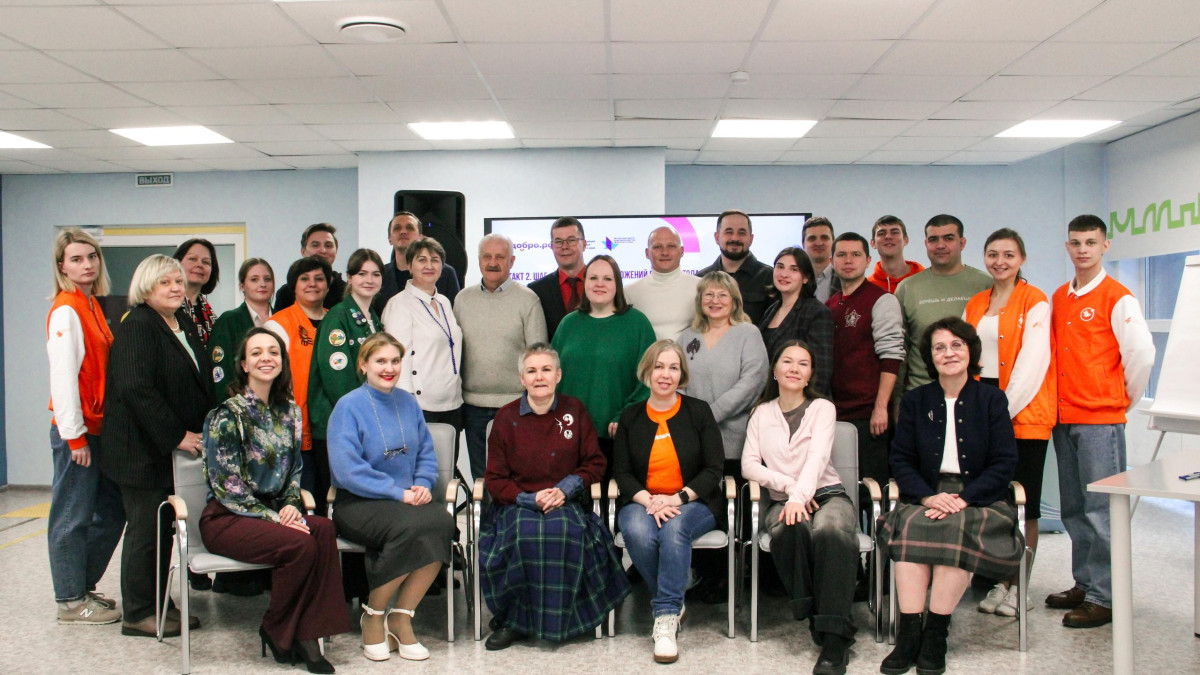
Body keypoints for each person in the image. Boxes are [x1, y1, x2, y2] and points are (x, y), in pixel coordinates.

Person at [198, 328, 349, 674]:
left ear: (282, 362)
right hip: (227, 517)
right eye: (256, 353)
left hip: (273, 514)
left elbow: (294, 470)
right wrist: (275, 517)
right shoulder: (227, 415)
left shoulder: (290, 412)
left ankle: (307, 632)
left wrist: (292, 504)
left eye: (273, 352)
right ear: (244, 365)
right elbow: (227, 485)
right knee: (300, 543)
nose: (266, 358)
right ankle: (279, 628)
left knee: (324, 530)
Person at [878, 318, 1024, 675]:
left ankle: (936, 634)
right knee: (910, 527)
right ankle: (909, 634)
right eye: (939, 347)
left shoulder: (991, 399)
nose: (949, 353)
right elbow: (901, 460)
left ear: (971, 351)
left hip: (979, 497)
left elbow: (1004, 463)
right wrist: (927, 497)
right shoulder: (916, 401)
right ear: (930, 357)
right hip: (926, 494)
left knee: (955, 527)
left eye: (956, 345)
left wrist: (965, 498)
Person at [478, 344, 629, 650]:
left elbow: (595, 463)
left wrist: (565, 489)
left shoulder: (575, 411)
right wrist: (528, 499)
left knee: (565, 533)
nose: (539, 377)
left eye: (546, 370)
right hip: (518, 503)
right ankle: (514, 621)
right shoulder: (506, 418)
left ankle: (566, 619)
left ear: (558, 375)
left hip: (566, 501)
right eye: (531, 371)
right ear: (522, 378)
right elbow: (494, 479)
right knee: (524, 535)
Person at [1047, 215, 1154, 629]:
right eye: (1076, 242)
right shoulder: (1061, 296)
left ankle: (1105, 598)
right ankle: (1086, 583)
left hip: (1100, 420)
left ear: (1105, 246)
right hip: (1065, 417)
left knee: (1101, 510)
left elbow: (1141, 355)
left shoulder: (1117, 297)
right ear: (1067, 246)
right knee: (1074, 508)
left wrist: (1121, 400)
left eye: (1091, 242)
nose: (1083, 250)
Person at [327, 333, 454, 663]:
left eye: (395, 361)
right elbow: (347, 470)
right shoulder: (348, 407)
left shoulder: (408, 402)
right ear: (363, 365)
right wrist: (398, 492)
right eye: (380, 361)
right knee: (411, 528)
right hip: (358, 503)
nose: (389, 368)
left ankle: (400, 617)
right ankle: (373, 615)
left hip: (406, 500)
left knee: (443, 522)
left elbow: (425, 453)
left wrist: (423, 484)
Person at [101, 255, 210, 638]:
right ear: (146, 288)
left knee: (163, 529)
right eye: (166, 282)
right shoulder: (138, 325)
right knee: (146, 531)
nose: (176, 288)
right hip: (140, 451)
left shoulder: (181, 322)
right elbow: (136, 388)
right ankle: (138, 612)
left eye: (178, 281)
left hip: (165, 453)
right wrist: (176, 435)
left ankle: (160, 603)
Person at [742, 340, 859, 675]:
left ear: (810, 375)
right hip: (784, 499)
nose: (794, 368)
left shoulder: (822, 408)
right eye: (787, 361)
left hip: (828, 494)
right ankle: (816, 612)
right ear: (775, 371)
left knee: (831, 530)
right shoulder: (761, 413)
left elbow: (818, 457)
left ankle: (833, 641)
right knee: (790, 528)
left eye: (803, 363)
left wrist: (800, 495)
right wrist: (791, 490)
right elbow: (749, 465)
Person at [964, 228, 1056, 618]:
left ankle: (1021, 586)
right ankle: (1000, 580)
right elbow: (965, 357)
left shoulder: (1035, 300)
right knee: (996, 502)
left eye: (1008, 255)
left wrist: (998, 415)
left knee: (1024, 504)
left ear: (1021, 259)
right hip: (982, 409)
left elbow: (1032, 365)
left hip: (1022, 413)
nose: (1000, 261)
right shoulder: (976, 302)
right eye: (993, 254)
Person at [613, 340, 724, 664]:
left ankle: (664, 617)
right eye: (659, 366)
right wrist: (650, 501)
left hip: (693, 501)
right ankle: (675, 592)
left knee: (674, 528)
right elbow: (622, 472)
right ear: (647, 372)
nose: (665, 374)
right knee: (637, 531)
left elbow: (713, 469)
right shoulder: (631, 416)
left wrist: (676, 498)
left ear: (681, 374)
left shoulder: (698, 411)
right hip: (643, 501)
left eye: (673, 367)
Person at [46, 229, 124, 626]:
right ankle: (70, 601)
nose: (87, 264)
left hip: (97, 428)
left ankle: (80, 585)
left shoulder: (90, 304)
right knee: (71, 516)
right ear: (62, 266)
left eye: (92, 256)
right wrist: (74, 437)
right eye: (76, 259)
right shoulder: (66, 309)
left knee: (111, 510)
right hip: (77, 433)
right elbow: (63, 380)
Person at [675, 271, 768, 602]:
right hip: (694, 442)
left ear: (734, 300)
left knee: (730, 510)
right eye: (708, 295)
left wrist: (708, 416)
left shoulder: (747, 334)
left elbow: (753, 381)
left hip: (733, 440)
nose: (715, 301)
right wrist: (693, 422)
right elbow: (677, 381)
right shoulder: (687, 337)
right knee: (699, 507)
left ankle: (730, 578)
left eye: (722, 295)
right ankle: (704, 574)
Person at [453, 234, 547, 484]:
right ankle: (485, 513)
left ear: (512, 261)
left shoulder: (528, 300)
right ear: (478, 260)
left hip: (517, 405)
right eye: (487, 256)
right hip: (473, 407)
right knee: (482, 480)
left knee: (518, 477)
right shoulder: (462, 299)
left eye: (500, 257)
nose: (492, 262)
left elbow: (538, 356)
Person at [551, 255, 656, 473]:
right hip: (568, 434)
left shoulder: (637, 324)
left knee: (611, 493)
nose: (600, 284)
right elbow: (551, 375)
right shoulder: (568, 324)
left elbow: (648, 380)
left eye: (607, 279)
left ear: (617, 284)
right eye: (593, 278)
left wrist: (623, 416)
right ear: (585, 283)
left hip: (617, 435)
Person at [826, 232, 903, 487]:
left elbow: (891, 356)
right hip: (835, 414)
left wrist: (881, 407)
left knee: (871, 489)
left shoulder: (881, 300)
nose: (848, 260)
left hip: (870, 416)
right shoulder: (830, 305)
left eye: (856, 254)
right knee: (840, 487)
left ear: (868, 260)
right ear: (832, 261)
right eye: (841, 255)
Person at [895, 214, 992, 394]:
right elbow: (899, 349)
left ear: (962, 243)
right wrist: (898, 399)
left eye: (948, 238)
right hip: (921, 394)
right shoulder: (907, 288)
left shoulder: (986, 284)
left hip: (974, 395)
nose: (940, 245)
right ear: (926, 244)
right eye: (933, 239)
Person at [266, 256, 332, 513]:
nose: (312, 284)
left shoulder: (336, 320)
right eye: (304, 279)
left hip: (330, 428)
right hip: (294, 429)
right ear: (293, 286)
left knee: (330, 499)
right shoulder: (279, 324)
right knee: (303, 500)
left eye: (319, 278)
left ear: (328, 284)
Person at [381, 237, 464, 431]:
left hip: (451, 402)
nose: (429, 265)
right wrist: (405, 402)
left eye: (435, 260)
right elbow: (397, 357)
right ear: (409, 266)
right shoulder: (399, 304)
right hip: (418, 405)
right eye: (421, 260)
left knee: (449, 452)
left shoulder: (444, 302)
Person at [758, 247, 834, 398]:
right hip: (770, 399)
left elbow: (821, 371)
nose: (784, 274)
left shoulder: (817, 312)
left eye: (794, 269)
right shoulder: (771, 310)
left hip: (803, 403)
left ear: (805, 278)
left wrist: (800, 406)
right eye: (780, 267)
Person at [209, 258, 275, 404]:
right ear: (242, 286)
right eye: (254, 279)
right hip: (240, 406)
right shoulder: (228, 321)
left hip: (279, 405)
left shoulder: (284, 319)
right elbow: (221, 373)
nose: (262, 284)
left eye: (267, 279)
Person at [697, 209, 775, 324]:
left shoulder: (770, 277)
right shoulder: (700, 278)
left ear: (751, 239)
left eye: (741, 233)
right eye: (729, 232)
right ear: (717, 237)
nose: (735, 238)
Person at [374, 212, 460, 315]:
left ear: (420, 236)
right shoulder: (379, 275)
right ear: (389, 239)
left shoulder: (446, 273)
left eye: (409, 228)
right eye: (397, 228)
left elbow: (453, 314)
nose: (403, 231)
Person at [624, 226, 700, 340]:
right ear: (647, 253)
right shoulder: (630, 292)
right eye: (658, 247)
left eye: (671, 246)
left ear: (682, 251)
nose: (665, 252)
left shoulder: (700, 288)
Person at [528, 216, 589, 341]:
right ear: (552, 246)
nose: (564, 246)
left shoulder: (603, 284)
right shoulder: (536, 291)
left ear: (584, 244)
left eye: (571, 240)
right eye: (558, 241)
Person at [275, 224, 346, 310]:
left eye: (328, 245)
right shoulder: (286, 293)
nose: (323, 250)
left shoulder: (348, 292)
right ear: (303, 251)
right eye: (315, 245)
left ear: (336, 251)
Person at [173, 238, 219, 347]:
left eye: (206, 262)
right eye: (192, 259)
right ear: (177, 263)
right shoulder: (169, 307)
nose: (199, 265)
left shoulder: (209, 313)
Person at [867, 215, 924, 293]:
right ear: (873, 243)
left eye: (895, 232)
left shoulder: (926, 279)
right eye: (881, 233)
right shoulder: (867, 288)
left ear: (906, 240)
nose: (888, 236)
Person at [803, 217, 840, 303]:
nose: (818, 243)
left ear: (833, 242)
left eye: (824, 237)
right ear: (803, 244)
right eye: (812, 238)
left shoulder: (845, 277)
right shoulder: (793, 278)